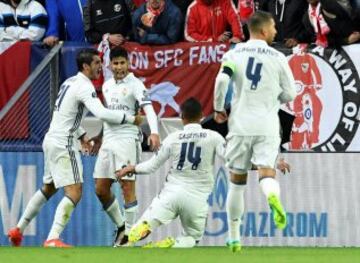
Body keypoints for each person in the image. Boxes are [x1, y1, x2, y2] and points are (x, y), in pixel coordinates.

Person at [7, 48, 142, 247]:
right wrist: (131, 118)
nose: (100, 67)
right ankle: (53, 238)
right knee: (75, 191)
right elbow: (102, 113)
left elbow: (65, 115)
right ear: (86, 66)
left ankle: (18, 229)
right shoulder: (85, 86)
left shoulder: (69, 82)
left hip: (51, 139)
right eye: (96, 63)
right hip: (64, 143)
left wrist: (83, 135)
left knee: (48, 188)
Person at [213, 11, 296, 252]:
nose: (276, 32)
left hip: (240, 124)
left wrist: (219, 108)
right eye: (273, 28)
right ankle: (272, 196)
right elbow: (291, 93)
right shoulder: (278, 57)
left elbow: (221, 81)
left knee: (237, 181)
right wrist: (273, 96)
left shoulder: (234, 53)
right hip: (267, 125)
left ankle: (234, 237)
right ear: (262, 30)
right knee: (267, 174)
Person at [115, 98, 226, 248]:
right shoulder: (214, 137)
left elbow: (151, 166)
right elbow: (229, 159)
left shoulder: (173, 138)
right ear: (202, 115)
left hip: (171, 194)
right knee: (193, 238)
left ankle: (136, 233)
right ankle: (171, 244)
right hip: (197, 197)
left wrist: (131, 168)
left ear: (182, 117)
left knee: (146, 225)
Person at [90, 47, 160, 247]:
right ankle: (122, 226)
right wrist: (101, 137)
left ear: (128, 64)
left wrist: (153, 132)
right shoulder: (106, 86)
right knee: (100, 188)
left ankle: (129, 238)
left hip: (127, 139)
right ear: (110, 65)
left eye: (122, 63)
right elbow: (108, 115)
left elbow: (148, 108)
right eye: (116, 63)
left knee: (126, 186)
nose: (119, 67)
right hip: (109, 140)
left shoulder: (136, 84)